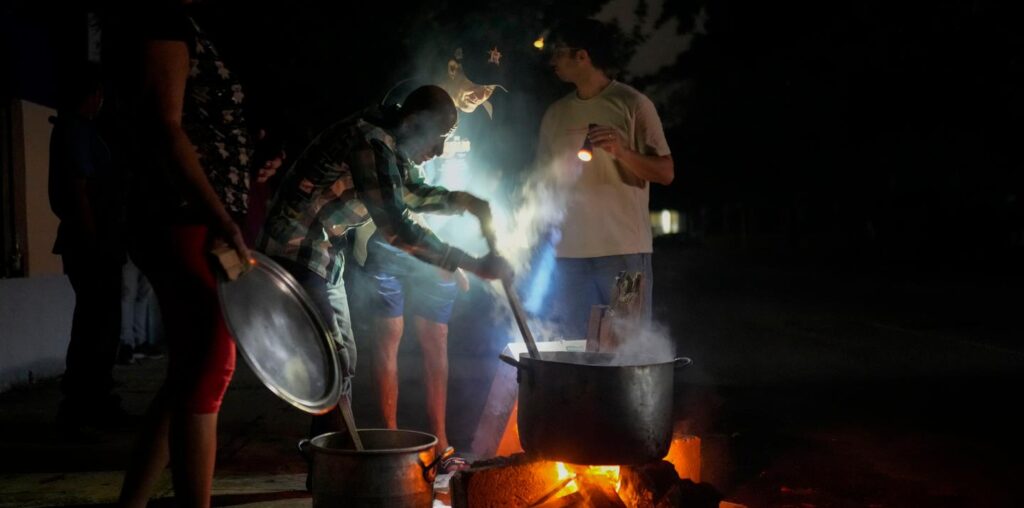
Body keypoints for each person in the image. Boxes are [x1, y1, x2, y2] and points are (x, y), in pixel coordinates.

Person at [258, 85, 512, 446]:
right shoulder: (369, 140)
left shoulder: (388, 144)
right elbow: (396, 226)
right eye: (437, 138)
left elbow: (410, 192)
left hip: (324, 255)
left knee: (342, 361)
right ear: (412, 122)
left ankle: (329, 461)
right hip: (297, 249)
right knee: (333, 360)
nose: (439, 150)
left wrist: (464, 201)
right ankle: (335, 462)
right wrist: (469, 263)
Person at [116, 4, 256, 507]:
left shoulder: (180, 22)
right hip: (182, 215)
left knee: (189, 372)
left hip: (193, 213)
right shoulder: (161, 19)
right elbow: (166, 127)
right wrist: (219, 215)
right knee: (212, 362)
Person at [537, 19, 674, 339]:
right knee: (576, 349)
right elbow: (541, 182)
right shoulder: (555, 114)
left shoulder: (633, 104)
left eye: (558, 53)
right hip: (568, 257)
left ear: (581, 56)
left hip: (624, 253)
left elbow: (666, 172)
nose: (552, 61)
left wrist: (622, 152)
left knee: (626, 350)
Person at [48, 64, 130, 433]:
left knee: (98, 320)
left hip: (95, 239)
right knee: (96, 323)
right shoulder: (75, 130)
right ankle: (86, 403)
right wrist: (95, 238)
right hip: (92, 242)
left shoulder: (80, 130)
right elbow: (79, 189)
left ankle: (93, 399)